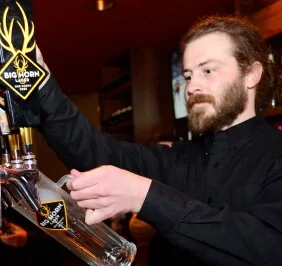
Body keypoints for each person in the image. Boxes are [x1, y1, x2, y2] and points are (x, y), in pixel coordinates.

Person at [34, 15, 282, 265]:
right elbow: (97, 153)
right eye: (187, 76)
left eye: (207, 70)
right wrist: (41, 87)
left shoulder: (276, 156)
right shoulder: (178, 158)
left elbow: (267, 245)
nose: (192, 86)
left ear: (251, 74)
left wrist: (146, 196)